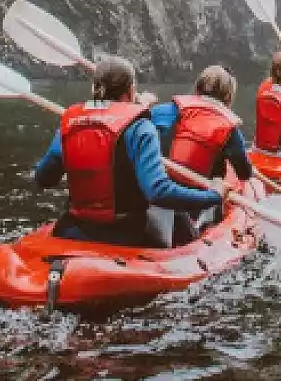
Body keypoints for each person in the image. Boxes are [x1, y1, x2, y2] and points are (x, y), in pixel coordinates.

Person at [32, 56, 228, 247]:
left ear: (94, 88)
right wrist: (213, 195)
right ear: (131, 90)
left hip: (73, 230)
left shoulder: (69, 124)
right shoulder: (141, 128)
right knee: (177, 218)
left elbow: (44, 178)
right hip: (125, 235)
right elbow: (158, 192)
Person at [152, 65, 253, 240]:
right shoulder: (230, 129)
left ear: (197, 88)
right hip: (197, 202)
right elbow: (244, 174)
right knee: (218, 180)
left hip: (154, 193)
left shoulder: (162, 111)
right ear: (228, 97)